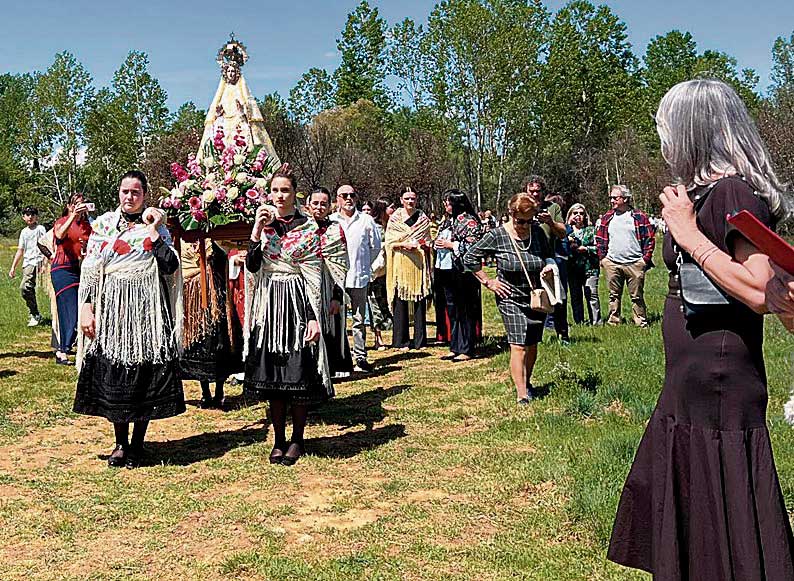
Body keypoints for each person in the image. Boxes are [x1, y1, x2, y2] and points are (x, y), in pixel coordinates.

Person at [608, 79, 794, 579]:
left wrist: (687, 234)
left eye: (667, 127)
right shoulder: (703, 193)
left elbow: (760, 291)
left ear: (693, 130)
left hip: (720, 376)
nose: (664, 139)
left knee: (723, 500)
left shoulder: (732, 191)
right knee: (696, 502)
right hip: (692, 376)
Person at [74, 170, 184, 469]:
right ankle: (120, 442)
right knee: (116, 371)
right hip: (113, 308)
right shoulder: (103, 226)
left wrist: (154, 230)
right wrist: (86, 308)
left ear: (144, 195)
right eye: (125, 191)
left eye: (136, 192)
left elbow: (170, 266)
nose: (130, 197)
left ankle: (138, 443)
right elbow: (90, 271)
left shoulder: (158, 229)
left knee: (144, 373)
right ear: (118, 193)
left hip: (146, 310)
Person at [244, 165, 347, 466]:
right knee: (274, 376)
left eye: (285, 190)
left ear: (294, 193)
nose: (279, 195)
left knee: (298, 374)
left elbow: (313, 276)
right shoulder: (264, 227)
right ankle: (277, 440)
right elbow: (252, 266)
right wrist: (255, 230)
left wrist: (314, 317)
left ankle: (298, 439)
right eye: (275, 190)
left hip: (297, 304)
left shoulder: (307, 228)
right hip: (269, 304)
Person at [464, 192, 554, 403]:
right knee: (518, 344)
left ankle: (527, 381)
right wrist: (489, 281)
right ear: (511, 214)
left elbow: (548, 254)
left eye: (529, 221)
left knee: (532, 343)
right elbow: (470, 257)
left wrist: (549, 266)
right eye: (520, 221)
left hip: (535, 295)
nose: (524, 225)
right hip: (509, 296)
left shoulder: (538, 233)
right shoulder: (497, 235)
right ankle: (521, 394)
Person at [330, 185, 381, 372]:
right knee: (338, 319)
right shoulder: (332, 220)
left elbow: (375, 248)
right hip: (337, 278)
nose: (349, 198)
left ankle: (360, 356)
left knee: (359, 319)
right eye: (344, 195)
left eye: (352, 195)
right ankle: (340, 357)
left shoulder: (366, 220)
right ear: (338, 199)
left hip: (359, 277)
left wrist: (366, 265)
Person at [181, 240, 235, 409]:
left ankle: (219, 391)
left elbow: (224, 257)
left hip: (213, 301)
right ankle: (205, 392)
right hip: (190, 298)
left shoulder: (214, 242)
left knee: (217, 344)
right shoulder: (181, 241)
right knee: (197, 343)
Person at [595, 185, 655, 327]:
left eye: (615, 198)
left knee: (637, 296)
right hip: (612, 263)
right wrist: (603, 259)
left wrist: (644, 260)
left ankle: (641, 321)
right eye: (611, 198)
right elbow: (599, 239)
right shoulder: (607, 218)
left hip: (635, 263)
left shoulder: (639, 217)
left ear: (625, 199)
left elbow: (650, 239)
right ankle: (614, 321)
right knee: (613, 295)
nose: (612, 201)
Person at [434, 189, 484, 361]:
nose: (445, 205)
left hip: (465, 272)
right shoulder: (448, 221)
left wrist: (451, 245)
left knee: (466, 309)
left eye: (448, 202)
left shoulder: (470, 222)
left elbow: (475, 247)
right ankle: (455, 345)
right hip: (447, 270)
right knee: (453, 309)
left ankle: (467, 347)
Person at [308, 187, 353, 376]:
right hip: (305, 287)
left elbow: (341, 265)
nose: (319, 207)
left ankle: (330, 369)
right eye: (315, 203)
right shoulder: (300, 229)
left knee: (330, 328)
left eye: (323, 204)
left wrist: (336, 296)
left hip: (328, 287)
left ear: (330, 206)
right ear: (308, 205)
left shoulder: (335, 230)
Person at [385, 187, 433, 350]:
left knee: (419, 300)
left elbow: (428, 240)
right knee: (400, 301)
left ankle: (420, 340)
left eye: (413, 198)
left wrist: (422, 245)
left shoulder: (423, 219)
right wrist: (403, 244)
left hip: (418, 263)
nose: (410, 201)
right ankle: (401, 340)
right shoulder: (394, 219)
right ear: (401, 200)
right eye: (407, 198)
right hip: (400, 263)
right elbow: (389, 242)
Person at [525, 177, 570, 344]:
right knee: (532, 298)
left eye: (538, 191)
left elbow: (562, 233)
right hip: (527, 259)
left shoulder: (553, 208)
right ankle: (533, 337)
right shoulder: (521, 206)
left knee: (558, 297)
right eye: (532, 191)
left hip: (548, 259)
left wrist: (550, 222)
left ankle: (563, 335)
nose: (535, 194)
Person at [51, 193, 93, 365]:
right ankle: (63, 350)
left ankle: (66, 348)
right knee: (70, 310)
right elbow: (60, 235)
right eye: (77, 204)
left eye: (83, 204)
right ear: (69, 206)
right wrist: (73, 216)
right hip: (62, 269)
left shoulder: (86, 225)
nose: (80, 207)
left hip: (79, 269)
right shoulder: (62, 221)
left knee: (80, 308)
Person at [8, 206, 46, 327]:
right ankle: (35, 314)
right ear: (23, 217)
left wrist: (45, 263)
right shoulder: (24, 232)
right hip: (28, 263)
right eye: (27, 214)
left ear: (36, 216)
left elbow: (46, 245)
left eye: (33, 214)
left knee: (27, 287)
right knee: (25, 289)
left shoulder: (40, 229)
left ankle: (36, 314)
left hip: (38, 261)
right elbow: (20, 250)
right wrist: (13, 267)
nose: (30, 216)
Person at [566, 203, 601, 325]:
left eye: (581, 213)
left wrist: (586, 249)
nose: (578, 216)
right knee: (576, 297)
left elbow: (599, 248)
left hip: (590, 268)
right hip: (573, 268)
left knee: (592, 295)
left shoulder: (591, 230)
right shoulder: (566, 231)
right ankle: (579, 322)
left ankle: (596, 322)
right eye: (575, 213)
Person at [365, 198, 393, 350]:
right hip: (374, 271)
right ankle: (378, 338)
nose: (393, 210)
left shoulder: (389, 226)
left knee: (384, 305)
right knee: (374, 303)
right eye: (390, 207)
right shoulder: (373, 227)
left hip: (386, 272)